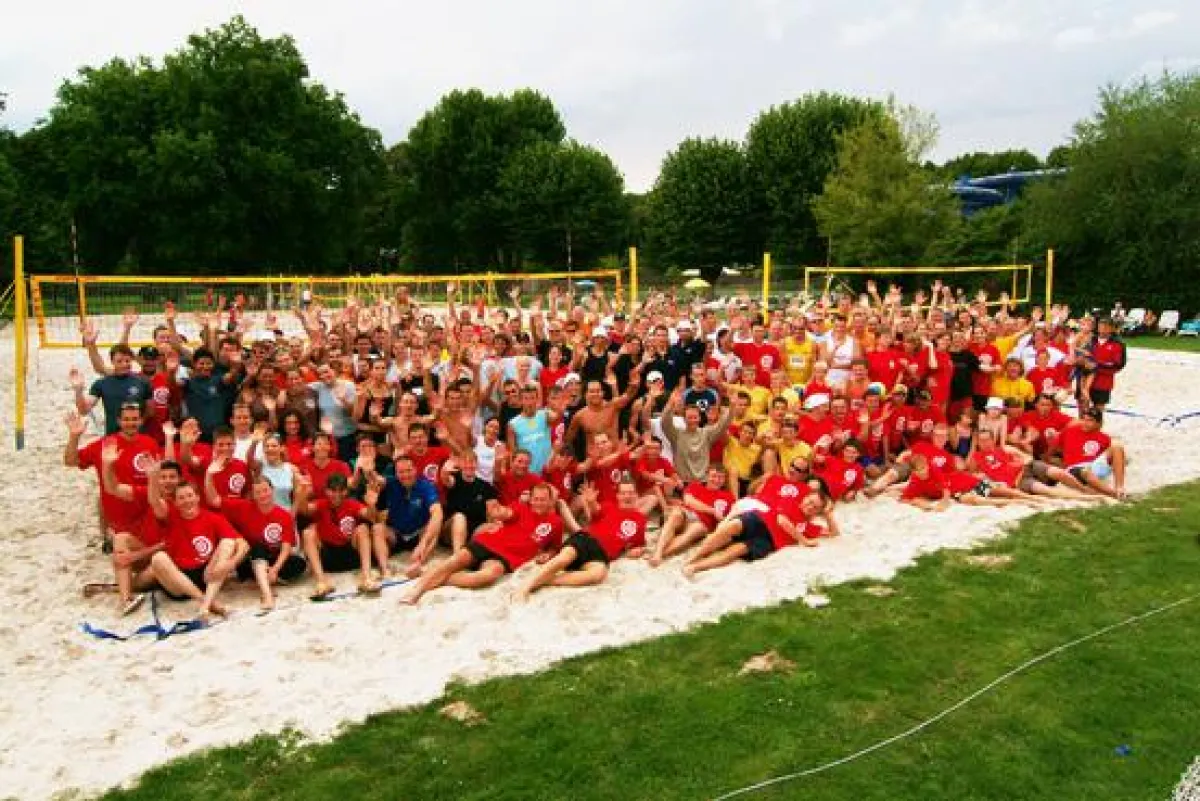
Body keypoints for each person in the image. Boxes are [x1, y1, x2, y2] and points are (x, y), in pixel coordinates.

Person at [401, 484, 564, 605]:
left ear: (550, 500)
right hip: (488, 543)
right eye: (536, 499)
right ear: (531, 499)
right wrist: (499, 512)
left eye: (543, 499)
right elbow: (507, 513)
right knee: (455, 561)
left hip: (507, 558)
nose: (539, 503)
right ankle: (418, 589)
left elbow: (555, 547)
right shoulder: (520, 508)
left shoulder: (556, 522)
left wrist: (548, 554)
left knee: (487, 576)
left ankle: (428, 573)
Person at [514, 480, 647, 600]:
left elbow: (638, 543)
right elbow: (595, 511)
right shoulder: (608, 506)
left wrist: (638, 550)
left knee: (598, 574)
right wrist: (591, 502)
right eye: (623, 493)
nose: (627, 496)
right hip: (586, 539)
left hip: (602, 555)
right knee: (565, 558)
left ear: (636, 495)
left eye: (631, 493)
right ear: (617, 496)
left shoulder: (640, 519)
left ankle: (545, 580)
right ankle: (525, 587)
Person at [147, 481, 248, 621]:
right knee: (158, 557)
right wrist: (152, 477)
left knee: (228, 542)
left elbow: (243, 544)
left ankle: (205, 606)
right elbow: (154, 502)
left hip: (206, 575)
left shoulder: (213, 517)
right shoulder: (169, 517)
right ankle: (208, 603)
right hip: (178, 580)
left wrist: (231, 564)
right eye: (181, 498)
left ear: (197, 497)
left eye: (189, 495)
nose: (186, 500)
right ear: (175, 502)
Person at [297, 473, 380, 598]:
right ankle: (321, 581)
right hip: (327, 557)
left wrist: (371, 504)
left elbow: (371, 517)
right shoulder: (321, 504)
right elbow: (304, 510)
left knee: (362, 528)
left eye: (341, 490)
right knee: (308, 533)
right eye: (332, 490)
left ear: (346, 491)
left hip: (350, 555)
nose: (336, 494)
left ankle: (366, 578)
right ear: (326, 491)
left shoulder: (352, 504)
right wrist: (302, 495)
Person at [648, 465, 735, 566]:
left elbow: (730, 518)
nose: (716, 480)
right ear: (707, 476)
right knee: (676, 513)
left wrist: (721, 520)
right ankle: (658, 552)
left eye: (720, 477)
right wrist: (712, 511)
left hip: (703, 522)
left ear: (724, 480)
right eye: (714, 476)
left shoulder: (728, 497)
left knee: (692, 532)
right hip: (686, 514)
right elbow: (689, 501)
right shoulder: (695, 486)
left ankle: (659, 554)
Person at [374, 454, 445, 577]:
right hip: (396, 534)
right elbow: (375, 479)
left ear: (415, 470)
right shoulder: (390, 483)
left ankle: (419, 563)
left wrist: (423, 542)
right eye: (401, 472)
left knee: (435, 525)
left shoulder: (426, 486)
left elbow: (437, 512)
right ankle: (385, 569)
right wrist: (368, 469)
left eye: (409, 470)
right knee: (377, 528)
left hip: (418, 533)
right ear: (396, 473)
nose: (406, 475)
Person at [1056, 409, 1127, 499]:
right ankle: (1114, 494)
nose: (1085, 423)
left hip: (1094, 466)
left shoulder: (1104, 437)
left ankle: (1119, 487)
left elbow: (1111, 457)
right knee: (1086, 471)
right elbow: (1054, 448)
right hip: (1076, 469)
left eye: (1090, 420)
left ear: (1098, 424)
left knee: (1117, 446)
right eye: (1084, 419)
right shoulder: (1069, 431)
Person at [441, 452, 500, 552]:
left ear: (477, 464)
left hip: (474, 532)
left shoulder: (485, 486)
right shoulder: (454, 478)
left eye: (472, 462)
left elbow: (492, 512)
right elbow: (445, 479)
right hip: (451, 529)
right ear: (460, 464)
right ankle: (458, 554)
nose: (469, 465)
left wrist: (495, 524)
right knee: (460, 517)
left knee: (495, 525)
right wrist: (445, 470)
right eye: (465, 462)